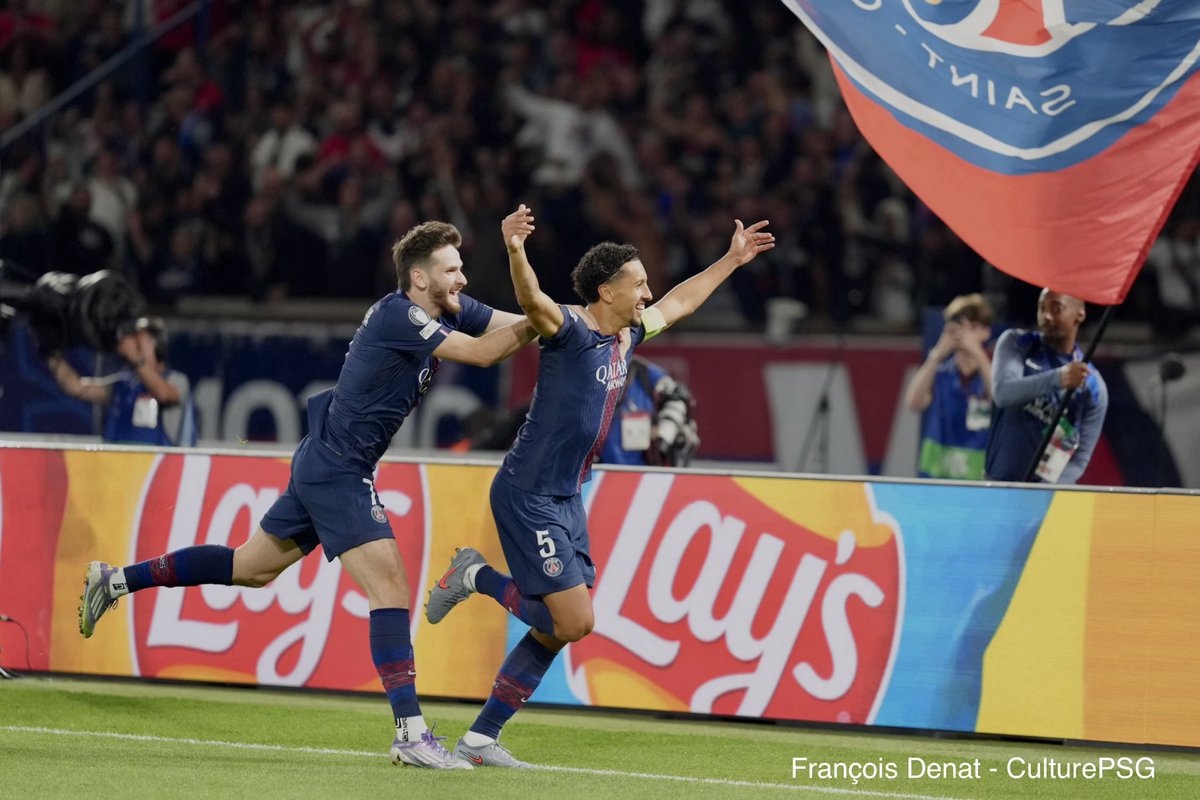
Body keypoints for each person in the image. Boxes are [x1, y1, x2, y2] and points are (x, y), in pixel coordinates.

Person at [78, 220, 538, 770]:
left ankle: (116, 579)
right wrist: (547, 323)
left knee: (249, 567)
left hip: (325, 458)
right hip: (339, 468)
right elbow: (488, 353)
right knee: (389, 584)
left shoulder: (448, 306)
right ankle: (410, 733)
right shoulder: (402, 313)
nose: (462, 277)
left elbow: (519, 321)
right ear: (420, 277)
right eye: (452, 269)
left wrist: (563, 322)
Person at [424, 204, 774, 767]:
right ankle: (474, 573)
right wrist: (516, 252)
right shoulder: (568, 329)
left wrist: (731, 260)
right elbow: (532, 302)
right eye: (637, 284)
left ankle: (480, 739)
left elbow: (680, 301)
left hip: (565, 496)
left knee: (560, 629)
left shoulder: (628, 334)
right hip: (527, 492)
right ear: (606, 291)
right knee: (575, 621)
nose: (647, 292)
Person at [985, 288, 1108, 484]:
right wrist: (1058, 378)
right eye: (1041, 308)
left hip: (1045, 499)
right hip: (996, 486)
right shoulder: (1018, 343)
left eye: (1056, 308)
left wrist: (1045, 493)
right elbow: (1003, 393)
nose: (1046, 316)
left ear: (1080, 313)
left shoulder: (1093, 386)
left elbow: (1080, 459)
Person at [47, 316, 197, 447]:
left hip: (159, 472)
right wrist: (50, 354)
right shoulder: (123, 384)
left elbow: (163, 394)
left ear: (159, 347)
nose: (134, 350)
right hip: (117, 468)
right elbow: (76, 387)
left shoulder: (176, 380)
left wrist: (134, 357)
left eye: (139, 345)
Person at [903, 293, 993, 480]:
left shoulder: (992, 371)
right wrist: (935, 356)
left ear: (986, 332)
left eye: (972, 327)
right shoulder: (940, 372)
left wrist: (977, 354)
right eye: (958, 327)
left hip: (977, 479)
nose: (963, 335)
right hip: (937, 477)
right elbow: (913, 402)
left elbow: (1000, 399)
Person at [599, 355, 699, 467]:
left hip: (643, 473)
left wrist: (663, 434)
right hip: (597, 472)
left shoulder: (643, 373)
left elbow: (678, 397)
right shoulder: (589, 372)